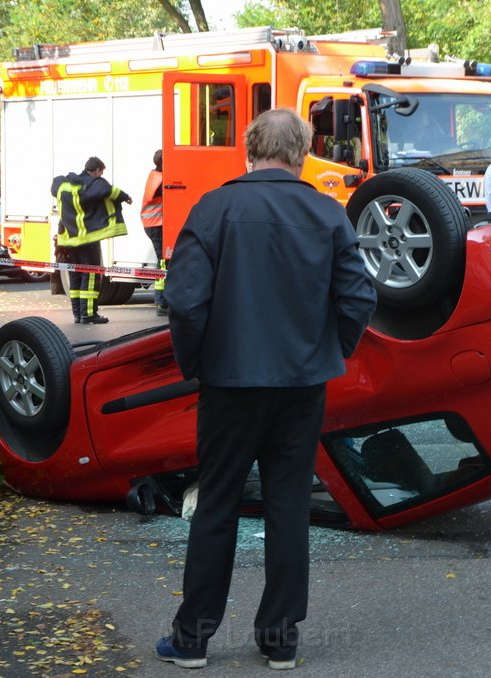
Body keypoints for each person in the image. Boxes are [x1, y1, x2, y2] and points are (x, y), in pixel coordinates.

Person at [156, 108, 377, 670]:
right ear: (302, 153)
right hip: (301, 385)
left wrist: (197, 361)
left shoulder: (214, 208)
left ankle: (193, 639)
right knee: (287, 506)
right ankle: (280, 640)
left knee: (217, 505)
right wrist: (330, 351)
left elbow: (183, 301)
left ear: (249, 150)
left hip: (230, 383)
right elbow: (358, 299)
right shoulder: (328, 213)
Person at [51, 156, 132, 324]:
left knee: (75, 277)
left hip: (68, 242)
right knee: (90, 276)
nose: (101, 175)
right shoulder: (93, 184)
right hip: (87, 240)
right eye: (101, 172)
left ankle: (78, 314)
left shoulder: (64, 185)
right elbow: (108, 190)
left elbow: (54, 187)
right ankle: (88, 314)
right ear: (97, 171)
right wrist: (126, 197)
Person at [139, 149, 168, 315]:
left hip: (154, 224)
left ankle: (162, 301)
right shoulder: (160, 179)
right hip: (156, 224)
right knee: (163, 262)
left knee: (163, 261)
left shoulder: (155, 175)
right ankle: (161, 302)